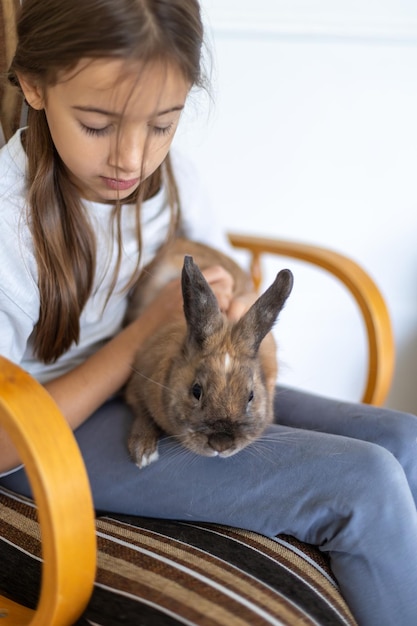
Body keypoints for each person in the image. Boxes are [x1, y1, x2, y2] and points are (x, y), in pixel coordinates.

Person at [1, 1, 417, 624]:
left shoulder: (171, 179)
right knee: (367, 484)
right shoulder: (10, 221)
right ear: (34, 86)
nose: (133, 160)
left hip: (167, 384)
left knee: (403, 439)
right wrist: (142, 333)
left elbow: (228, 288)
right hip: (45, 438)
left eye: (162, 125)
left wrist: (244, 319)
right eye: (97, 125)